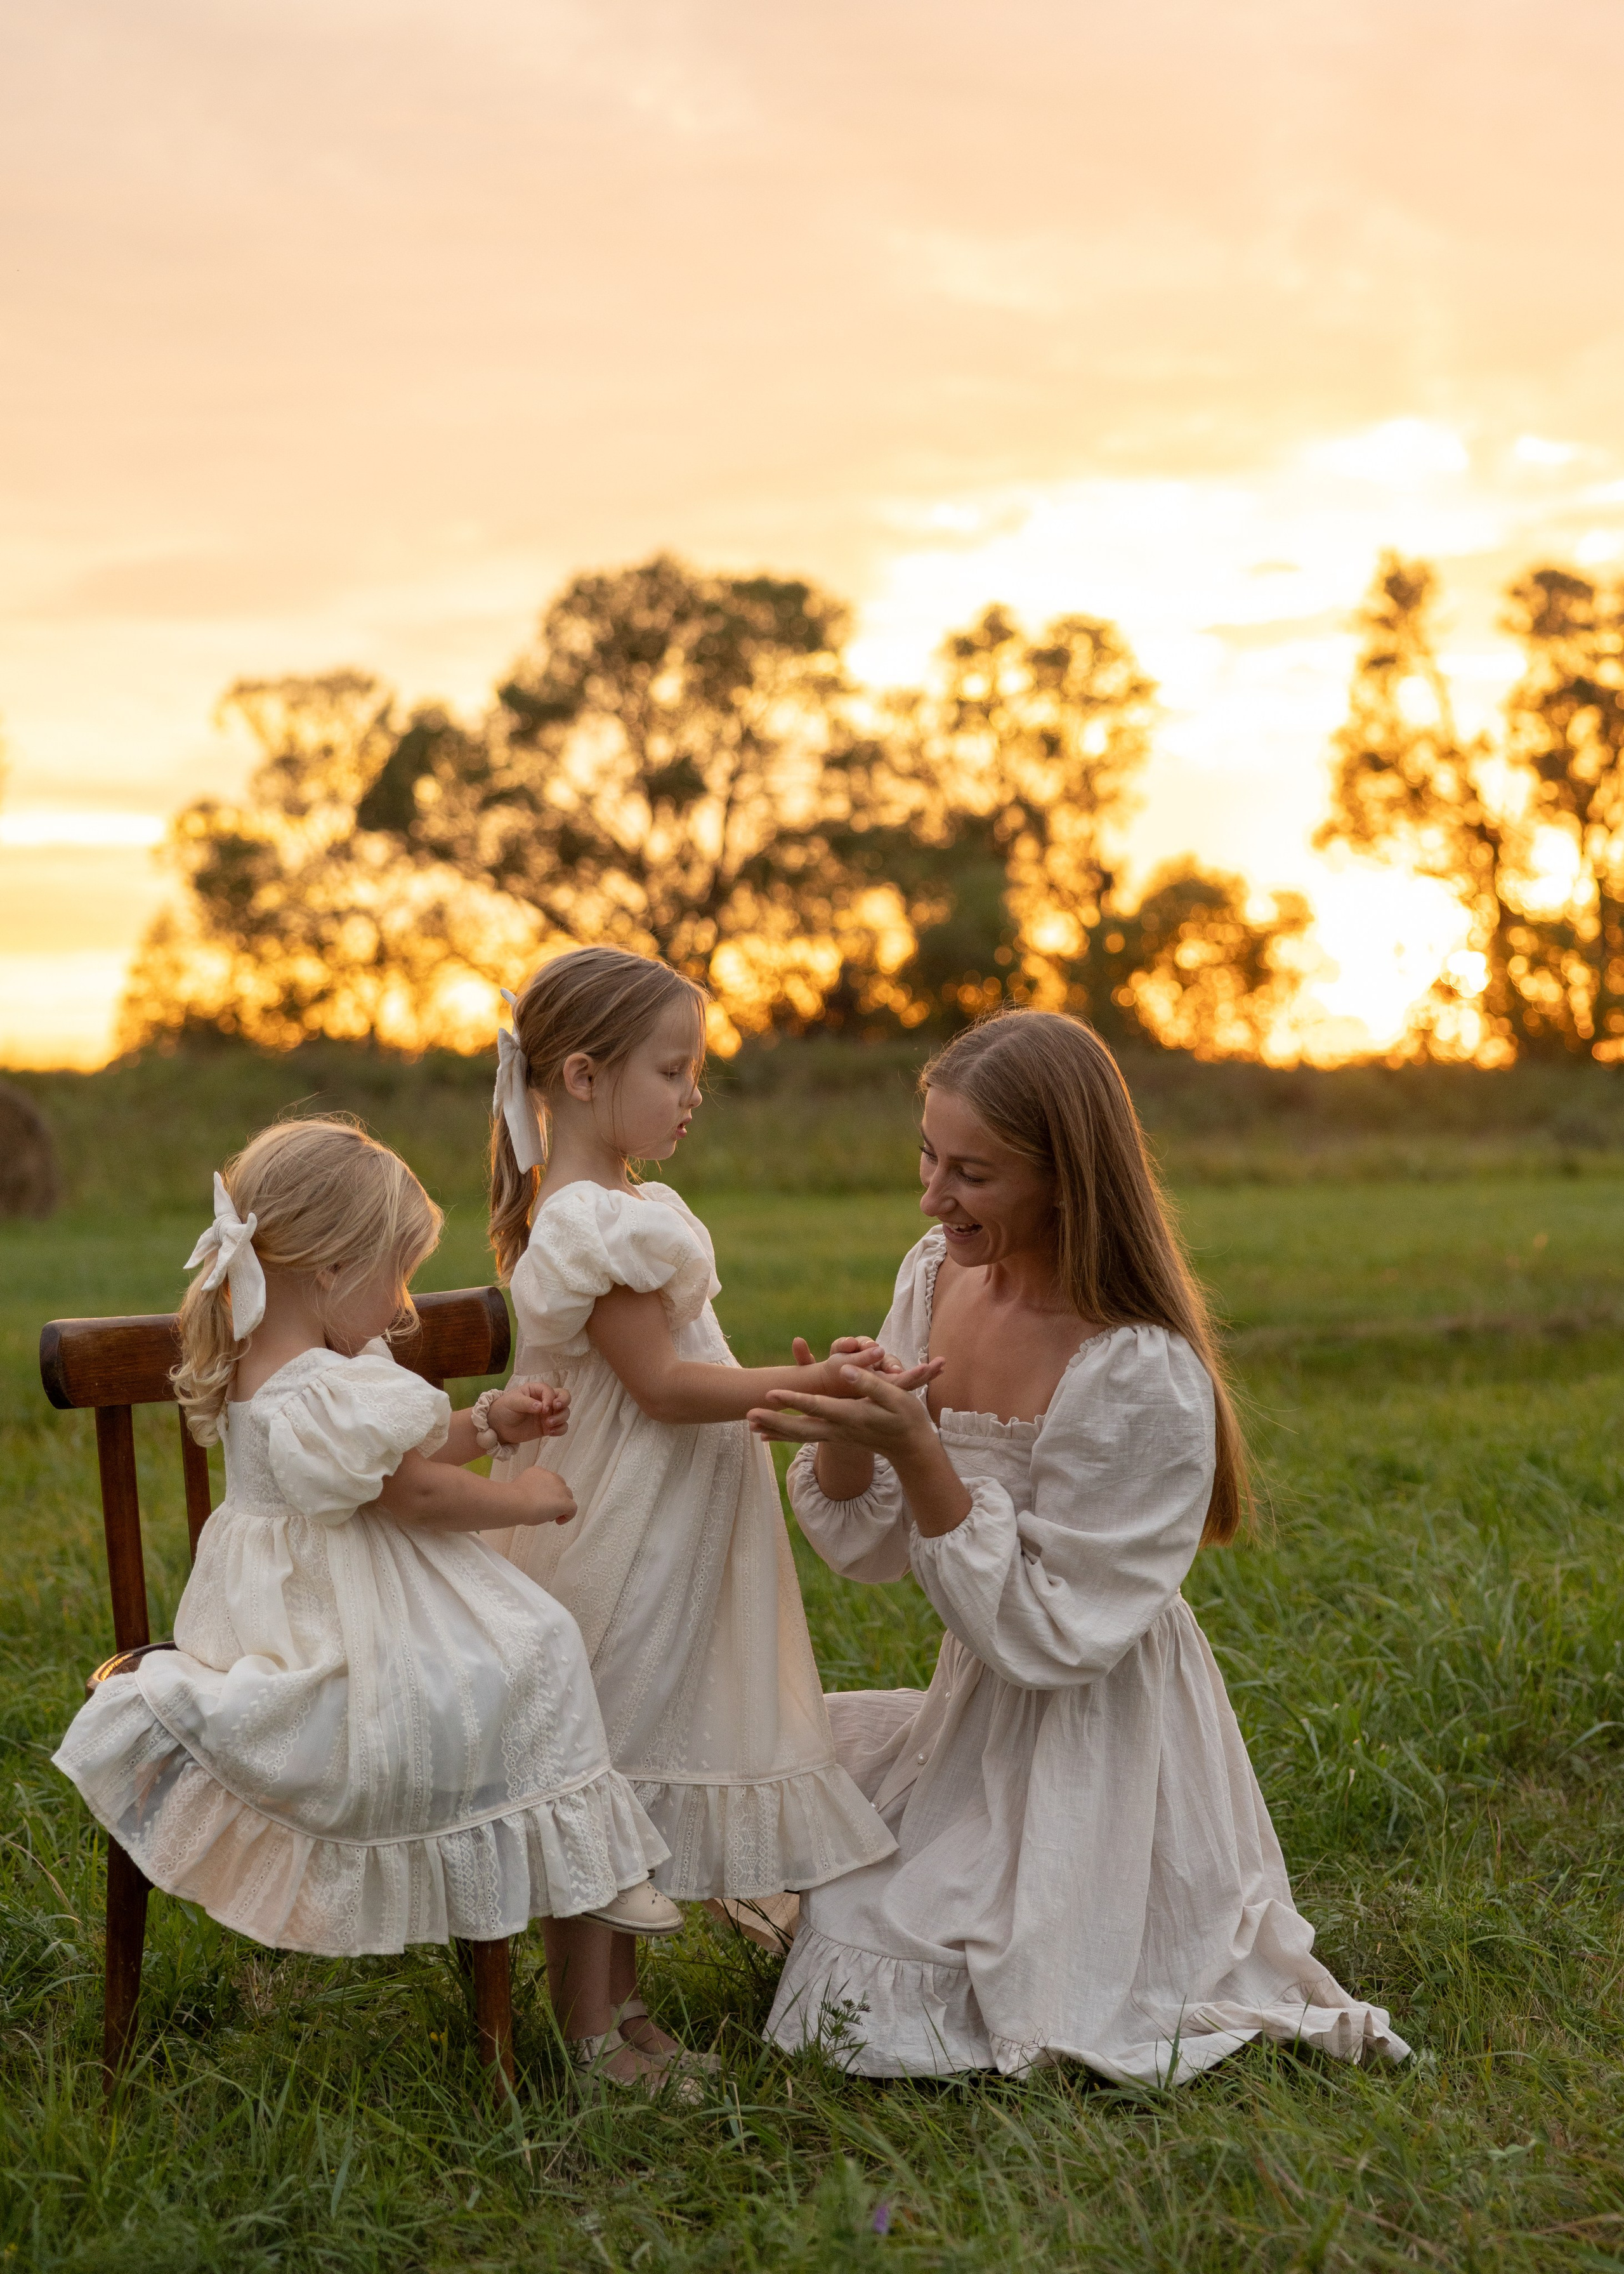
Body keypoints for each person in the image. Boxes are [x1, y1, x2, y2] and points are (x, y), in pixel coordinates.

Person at [750, 1009, 1410, 2086]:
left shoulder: (1137, 1371)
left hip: (1098, 1718)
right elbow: (873, 1550)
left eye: (973, 1173)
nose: (932, 1196)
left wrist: (918, 1453)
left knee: (917, 1973)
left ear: (1064, 1179)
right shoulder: (935, 1274)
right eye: (928, 1156)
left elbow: (1054, 1635)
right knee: (784, 1783)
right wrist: (845, 1437)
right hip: (977, 1704)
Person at [54, 1119, 677, 2002]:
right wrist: (524, 1497)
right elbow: (416, 1496)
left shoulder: (279, 1363)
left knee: (521, 1642)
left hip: (287, 1603)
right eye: (397, 1274)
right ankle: (587, 1858)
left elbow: (392, 1469)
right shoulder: (318, 1386)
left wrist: (491, 1424)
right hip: (331, 1626)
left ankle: (584, 1854)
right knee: (533, 1640)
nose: (401, 1305)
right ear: (331, 1269)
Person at [480, 948, 911, 2083]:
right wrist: (807, 1390)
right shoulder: (589, 1223)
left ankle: (622, 2008)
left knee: (643, 1750)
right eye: (672, 1070)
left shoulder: (629, 1206)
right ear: (581, 1075)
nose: (692, 1095)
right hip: (626, 1532)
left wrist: (802, 1383)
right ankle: (584, 2031)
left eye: (695, 1072)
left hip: (676, 1530)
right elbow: (665, 1389)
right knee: (610, 1760)